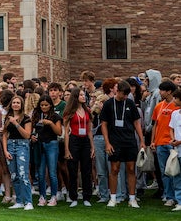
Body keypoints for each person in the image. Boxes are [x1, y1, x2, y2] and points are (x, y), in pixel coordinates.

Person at [100, 79, 145, 208]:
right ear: (117, 91)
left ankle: (132, 198)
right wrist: (107, 143)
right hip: (115, 141)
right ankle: (113, 198)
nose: (125, 96)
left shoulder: (130, 103)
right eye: (123, 94)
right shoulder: (108, 104)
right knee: (114, 169)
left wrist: (141, 140)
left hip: (130, 140)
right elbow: (104, 124)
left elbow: (137, 123)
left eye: (127, 94)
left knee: (131, 169)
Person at [62, 86, 94, 207]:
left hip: (85, 140)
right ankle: (73, 197)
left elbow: (90, 130)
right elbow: (66, 132)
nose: (83, 97)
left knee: (86, 169)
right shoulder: (69, 112)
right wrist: (66, 149)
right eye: (80, 95)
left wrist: (92, 147)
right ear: (76, 97)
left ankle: (87, 196)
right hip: (73, 140)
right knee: (73, 169)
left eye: (83, 95)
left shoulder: (87, 111)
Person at [2, 94, 33, 210]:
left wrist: (16, 124)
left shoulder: (26, 118)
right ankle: (19, 200)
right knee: (14, 175)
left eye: (18, 103)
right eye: (14, 102)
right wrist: (5, 150)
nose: (15, 105)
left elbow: (27, 135)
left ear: (21, 105)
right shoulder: (7, 118)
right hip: (10, 145)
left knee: (23, 174)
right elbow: (5, 134)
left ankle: (28, 201)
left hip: (22, 145)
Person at [151, 80, 179, 207]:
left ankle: (177, 196)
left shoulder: (177, 106)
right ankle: (169, 196)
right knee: (165, 171)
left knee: (176, 171)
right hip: (160, 142)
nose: (160, 92)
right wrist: (153, 141)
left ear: (169, 92)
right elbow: (155, 125)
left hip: (174, 143)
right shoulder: (158, 106)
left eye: (162, 90)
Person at [31, 94, 62, 206]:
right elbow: (32, 129)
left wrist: (50, 123)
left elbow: (59, 132)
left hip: (51, 144)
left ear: (50, 105)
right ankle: (42, 196)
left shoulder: (55, 116)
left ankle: (53, 196)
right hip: (39, 144)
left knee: (52, 172)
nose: (44, 107)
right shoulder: (36, 115)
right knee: (40, 172)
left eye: (46, 105)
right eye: (42, 105)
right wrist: (32, 136)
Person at [167, 88, 181, 211]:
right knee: (176, 174)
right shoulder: (175, 113)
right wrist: (173, 139)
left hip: (179, 145)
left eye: (176, 98)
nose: (174, 100)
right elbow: (171, 128)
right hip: (177, 149)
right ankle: (179, 201)